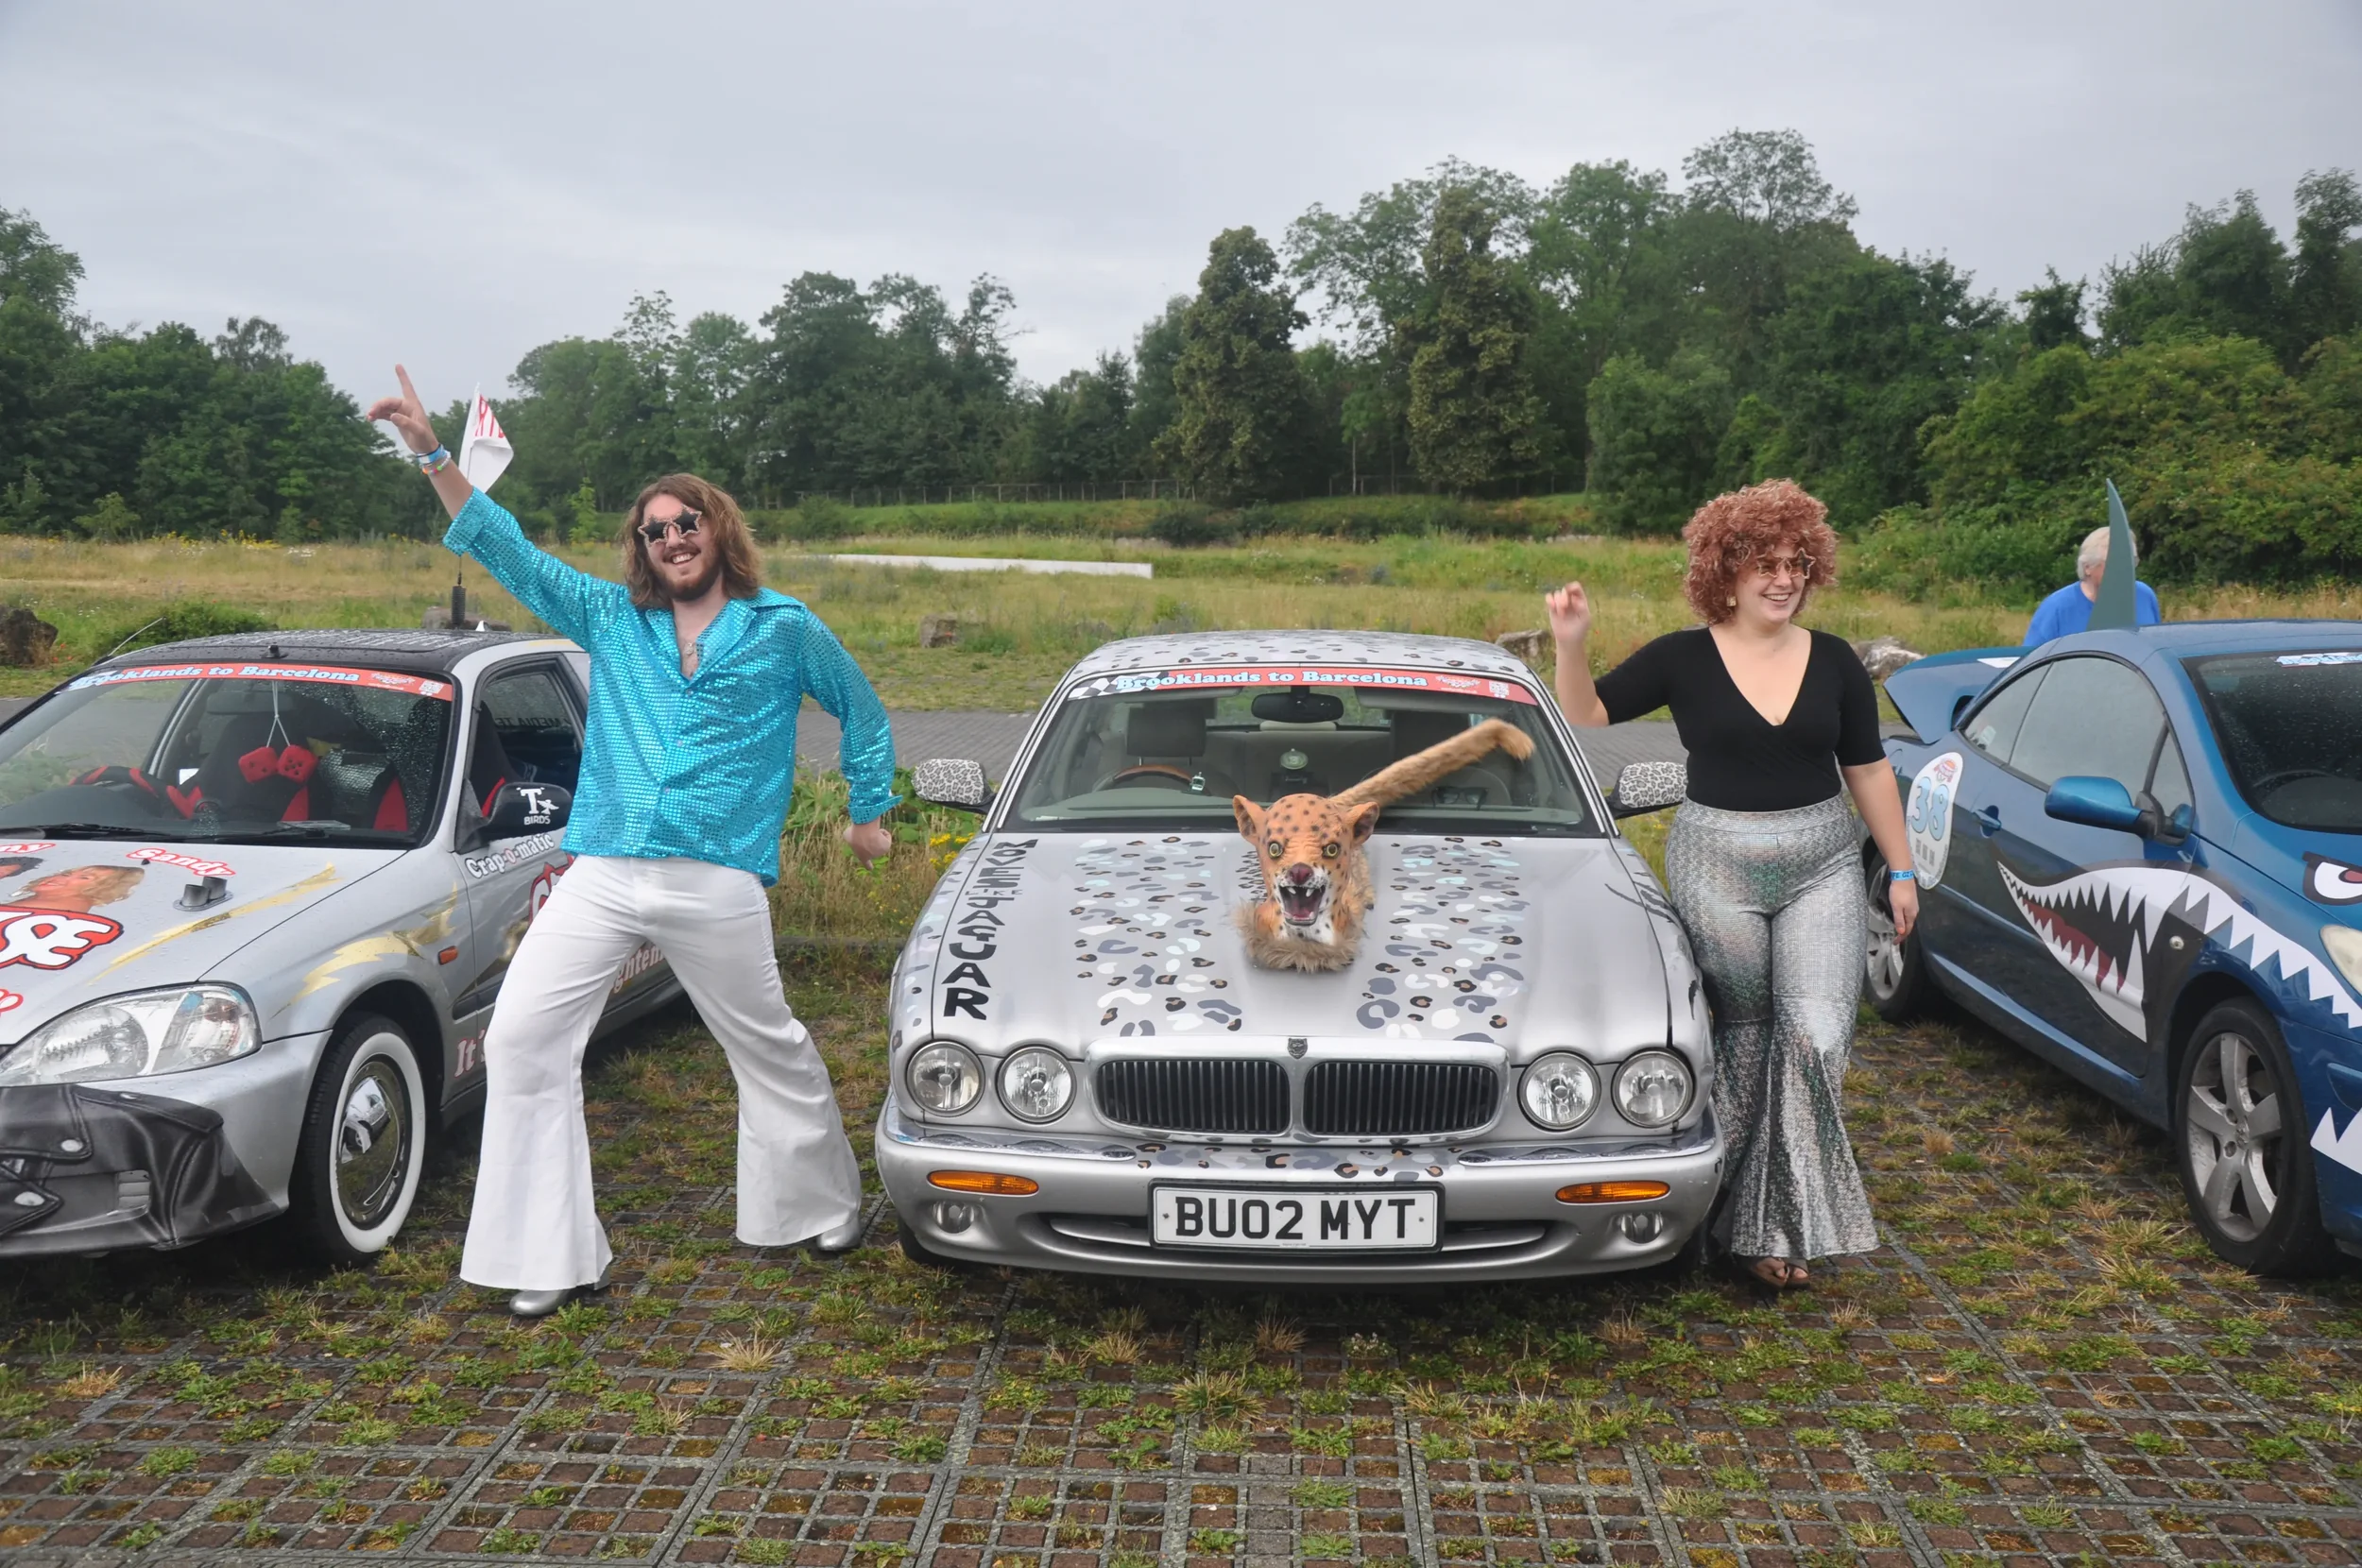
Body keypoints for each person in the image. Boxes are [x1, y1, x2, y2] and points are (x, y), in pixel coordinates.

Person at [369, 366, 897, 1318]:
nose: (671, 539)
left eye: (685, 522)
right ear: (641, 549)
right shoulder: (613, 618)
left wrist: (867, 810)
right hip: (604, 870)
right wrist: (435, 456)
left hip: (717, 879)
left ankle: (818, 1205)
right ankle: (546, 1253)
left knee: (764, 1041)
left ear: (716, 529)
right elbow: (512, 553)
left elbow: (860, 708)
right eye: (654, 530)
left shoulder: (783, 628)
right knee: (523, 1035)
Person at [1546, 479, 1914, 1290]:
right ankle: (1732, 1220)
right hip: (1718, 863)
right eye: (1763, 564)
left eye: (1796, 563)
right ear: (1725, 571)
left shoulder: (1837, 661)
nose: (1783, 579)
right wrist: (1571, 643)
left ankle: (1771, 1223)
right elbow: (1589, 717)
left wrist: (1904, 868)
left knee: (1816, 1038)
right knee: (1744, 1037)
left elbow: (1868, 767)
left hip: (1822, 861)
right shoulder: (1683, 656)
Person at [2023, 524, 2162, 644]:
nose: (2124, 570)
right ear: (2088, 567)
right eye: (2113, 564)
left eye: (2130, 562)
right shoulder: (2057, 608)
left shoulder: (2144, 595)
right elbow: (2030, 664)